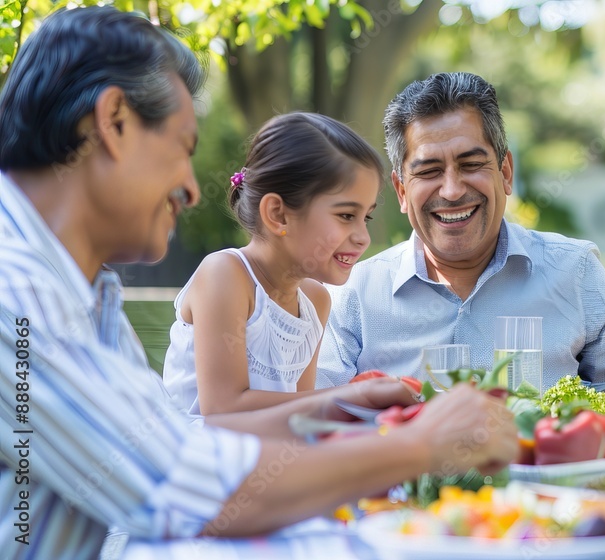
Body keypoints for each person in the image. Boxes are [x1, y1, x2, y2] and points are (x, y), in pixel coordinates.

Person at [0, 8, 516, 559]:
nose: (192, 190)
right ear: (114, 121)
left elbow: (177, 450)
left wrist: (341, 405)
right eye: (182, 148)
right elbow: (189, 488)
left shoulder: (78, 295)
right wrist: (421, 445)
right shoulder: (19, 293)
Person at [316, 71, 605, 418]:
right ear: (402, 190)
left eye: (471, 165)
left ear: (505, 173)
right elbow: (312, 413)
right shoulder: (355, 291)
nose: (451, 190)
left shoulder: (572, 270)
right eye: (430, 171)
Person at [162, 112, 381, 414]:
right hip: (196, 454)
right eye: (346, 216)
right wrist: (351, 399)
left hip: (267, 455)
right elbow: (223, 410)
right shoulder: (226, 275)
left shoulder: (315, 301)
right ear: (278, 214)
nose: (363, 238)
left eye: (366, 217)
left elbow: (299, 418)